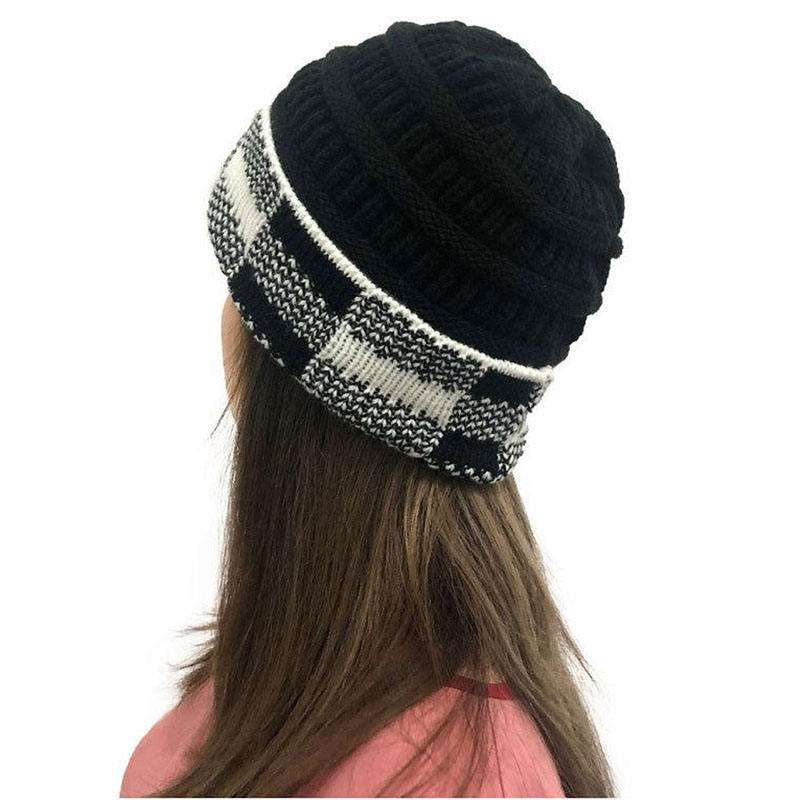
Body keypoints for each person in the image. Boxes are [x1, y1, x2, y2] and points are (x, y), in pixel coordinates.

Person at [121, 20, 624, 797]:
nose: (225, 312)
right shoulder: (301, 693)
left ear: (290, 360)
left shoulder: (453, 779)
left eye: (243, 284)